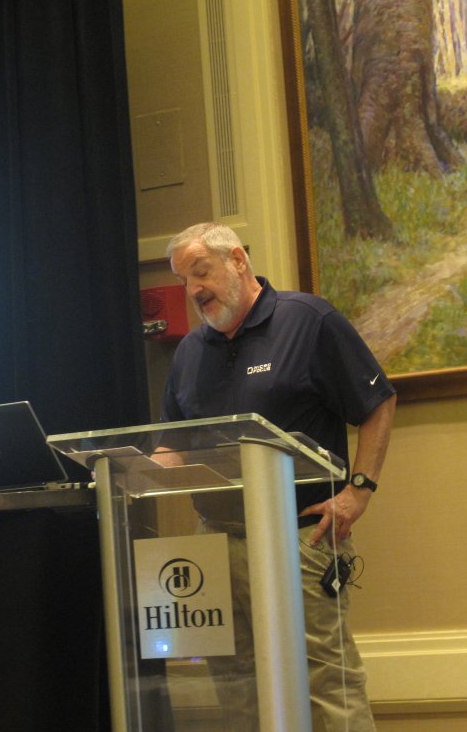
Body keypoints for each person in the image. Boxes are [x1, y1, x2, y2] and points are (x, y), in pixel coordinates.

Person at [161, 222, 396, 732]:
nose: (193, 289)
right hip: (216, 542)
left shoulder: (309, 321)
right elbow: (172, 444)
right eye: (183, 280)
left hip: (299, 537)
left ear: (238, 261)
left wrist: (359, 491)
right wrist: (121, 469)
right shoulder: (190, 352)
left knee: (326, 680)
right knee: (234, 681)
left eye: (200, 272)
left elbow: (378, 402)